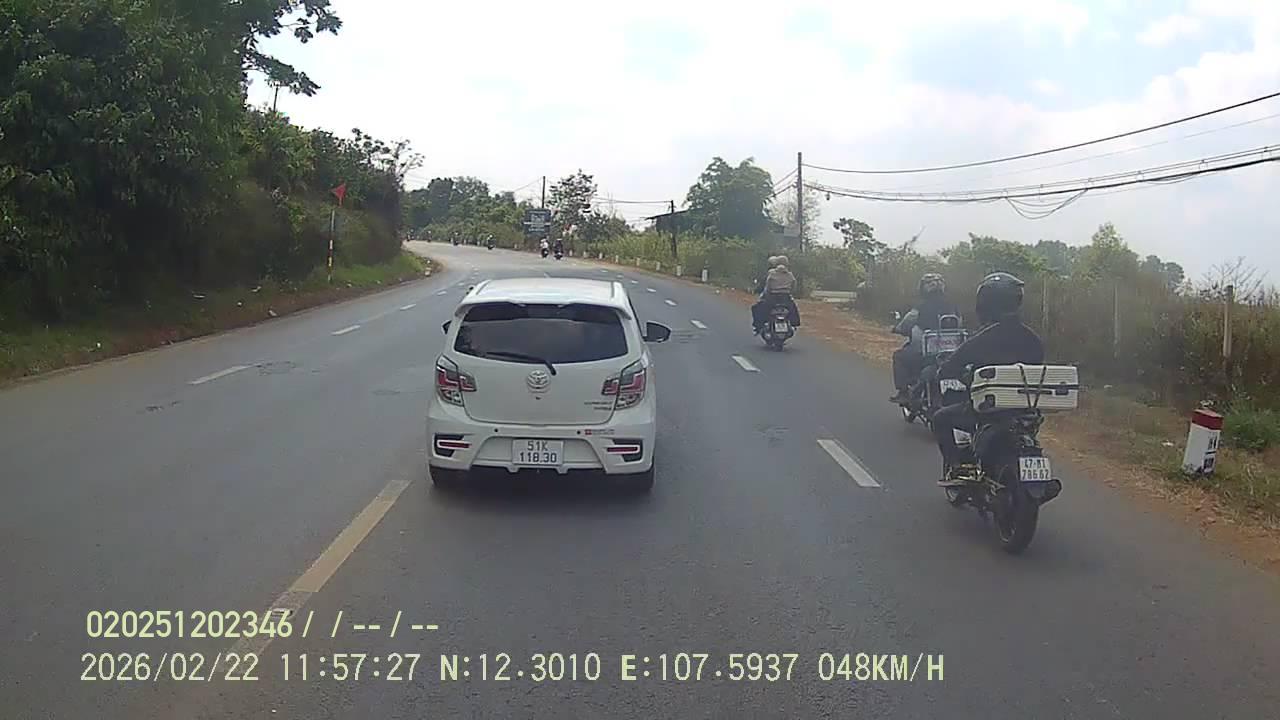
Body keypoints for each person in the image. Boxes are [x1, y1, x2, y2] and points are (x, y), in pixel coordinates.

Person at [931, 272, 1045, 486]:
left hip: (989, 411)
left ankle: (956, 467)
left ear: (985, 302)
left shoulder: (983, 338)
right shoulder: (1033, 339)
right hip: (1026, 412)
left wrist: (952, 373)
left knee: (940, 418)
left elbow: (949, 368)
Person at [889, 273, 954, 404]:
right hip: (950, 353)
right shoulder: (952, 306)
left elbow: (906, 324)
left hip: (926, 353)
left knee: (899, 356)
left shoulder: (921, 307)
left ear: (923, 288)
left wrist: (897, 329)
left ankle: (903, 393)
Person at [751, 255, 801, 334]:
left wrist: (766, 295)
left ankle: (758, 326)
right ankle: (794, 324)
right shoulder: (790, 275)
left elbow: (768, 287)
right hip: (786, 298)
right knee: (793, 309)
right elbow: (794, 286)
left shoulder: (772, 274)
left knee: (757, 308)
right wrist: (789, 292)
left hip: (772, 298)